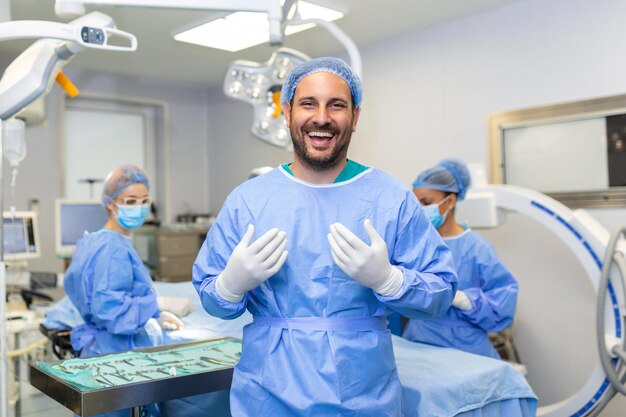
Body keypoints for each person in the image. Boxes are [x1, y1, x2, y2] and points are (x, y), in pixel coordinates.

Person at [193, 57, 458, 416]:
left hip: (363, 393)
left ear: (356, 116)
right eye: (308, 104)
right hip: (268, 392)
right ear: (287, 112)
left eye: (336, 105)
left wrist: (391, 281)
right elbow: (212, 297)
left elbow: (440, 291)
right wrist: (229, 284)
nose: (321, 118)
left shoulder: (390, 198)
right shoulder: (248, 200)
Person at [64, 165, 182, 416]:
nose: (138, 207)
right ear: (111, 203)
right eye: (130, 201)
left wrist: (153, 317)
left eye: (144, 201)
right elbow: (110, 309)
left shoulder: (95, 240)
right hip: (114, 355)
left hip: (102, 351)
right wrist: (158, 304)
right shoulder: (112, 247)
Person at [402, 159, 519, 358]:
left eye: (427, 202)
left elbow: (503, 304)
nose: (420, 208)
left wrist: (465, 300)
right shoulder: (416, 243)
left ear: (451, 201)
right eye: (416, 202)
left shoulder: (477, 248)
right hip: (417, 343)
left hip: (465, 348)